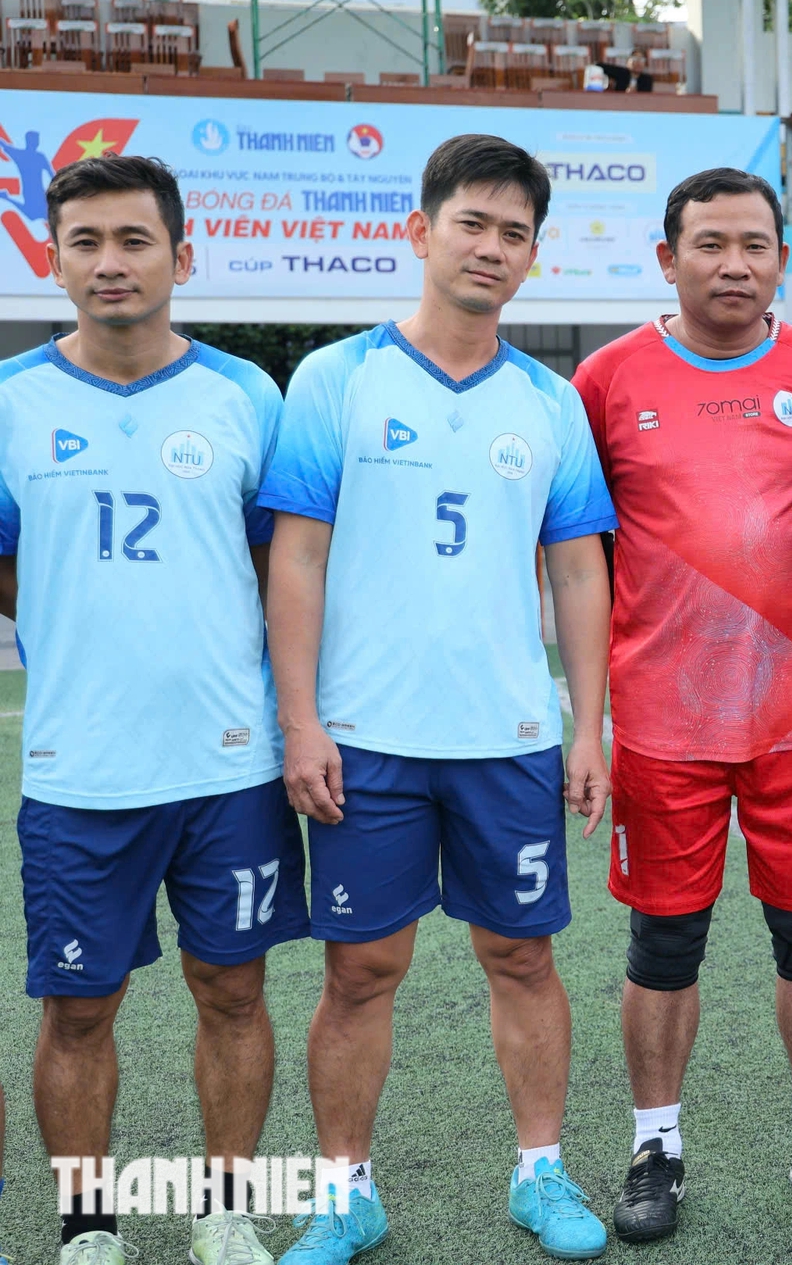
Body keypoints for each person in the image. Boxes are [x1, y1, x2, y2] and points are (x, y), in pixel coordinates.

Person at [263, 135, 617, 1263]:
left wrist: (587, 726)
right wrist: (301, 718)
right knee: (360, 967)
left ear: (531, 256)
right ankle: (344, 1191)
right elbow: (297, 559)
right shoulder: (335, 378)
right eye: (473, 222)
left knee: (522, 956)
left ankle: (540, 1174)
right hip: (366, 736)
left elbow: (576, 571)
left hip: (506, 735)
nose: (492, 247)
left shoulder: (549, 402)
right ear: (420, 232)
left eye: (515, 232)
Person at [569, 167, 792, 1241]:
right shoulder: (608, 379)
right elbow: (583, 550)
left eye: (755, 243)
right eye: (709, 243)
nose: (735, 263)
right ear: (667, 258)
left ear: (779, 258)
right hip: (662, 719)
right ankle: (654, 1144)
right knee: (665, 943)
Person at [0, 155, 304, 1265]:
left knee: (232, 989)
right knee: (78, 1010)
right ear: (51, 257)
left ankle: (224, 1208)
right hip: (81, 773)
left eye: (134, 240)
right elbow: (11, 569)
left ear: (183, 254)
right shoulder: (11, 403)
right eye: (86, 241)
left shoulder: (243, 395)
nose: (110, 262)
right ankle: (89, 1224)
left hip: (231, 767)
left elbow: (285, 570)